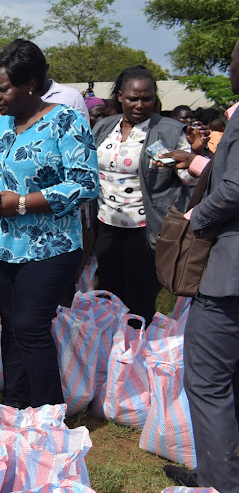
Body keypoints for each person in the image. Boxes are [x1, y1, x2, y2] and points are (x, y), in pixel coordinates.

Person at [0, 39, 99, 407]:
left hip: (49, 246)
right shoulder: (1, 126)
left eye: (2, 89)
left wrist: (22, 203)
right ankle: (15, 405)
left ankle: (47, 412)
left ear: (31, 83)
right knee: (10, 326)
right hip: (1, 244)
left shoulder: (66, 121)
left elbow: (85, 185)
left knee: (30, 326)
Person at [160, 38, 239, 493]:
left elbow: (234, 188)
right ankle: (218, 471)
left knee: (207, 380)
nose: (228, 71)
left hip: (229, 276)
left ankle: (222, 483)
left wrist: (196, 219)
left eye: (231, 63)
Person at [92, 66, 199, 323]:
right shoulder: (104, 127)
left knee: (139, 296)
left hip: (147, 229)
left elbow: (188, 176)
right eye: (133, 98)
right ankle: (108, 350)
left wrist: (196, 158)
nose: (140, 105)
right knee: (107, 291)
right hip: (107, 224)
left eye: (147, 98)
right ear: (119, 96)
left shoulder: (170, 131)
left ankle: (136, 353)